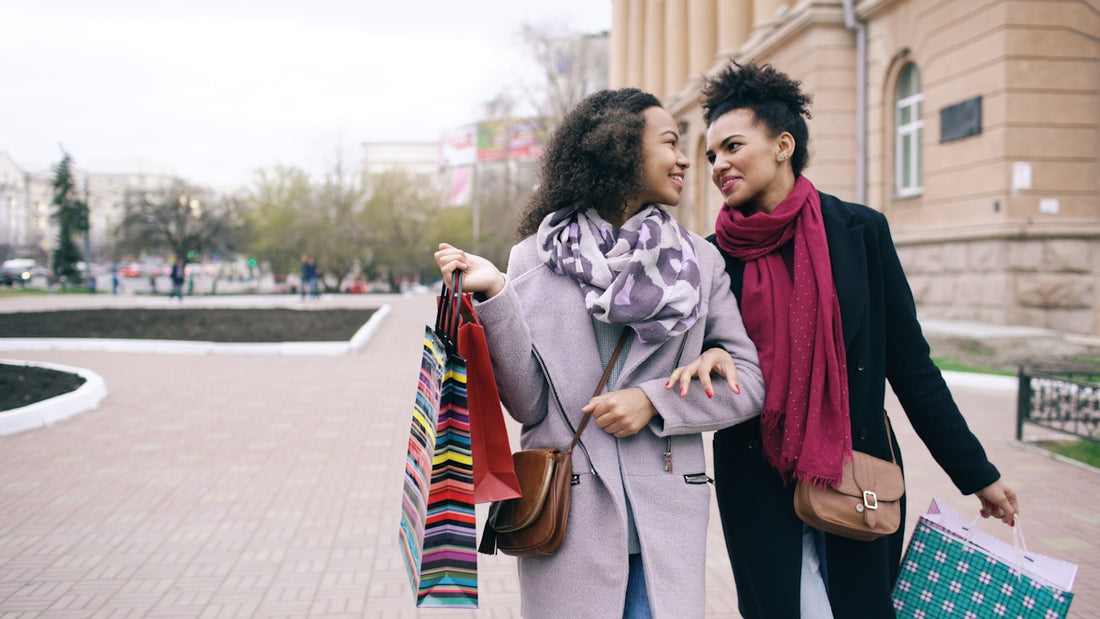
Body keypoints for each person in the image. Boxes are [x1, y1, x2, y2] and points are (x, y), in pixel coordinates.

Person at [666, 61, 1019, 618]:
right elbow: (691, 362)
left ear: (783, 144)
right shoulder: (711, 256)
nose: (718, 165)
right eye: (711, 155)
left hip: (857, 475)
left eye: (732, 146)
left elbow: (911, 366)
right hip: (757, 481)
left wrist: (977, 473)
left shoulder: (860, 231)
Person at [434, 88, 765, 618]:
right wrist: (496, 294)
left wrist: (655, 401)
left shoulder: (698, 262)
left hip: (665, 516)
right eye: (670, 143)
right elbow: (529, 405)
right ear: (621, 151)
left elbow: (748, 382)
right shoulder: (533, 260)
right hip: (570, 518)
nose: (685, 158)